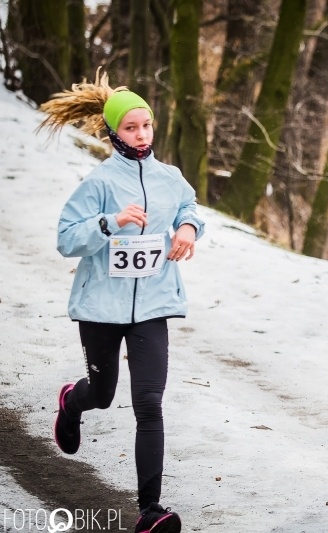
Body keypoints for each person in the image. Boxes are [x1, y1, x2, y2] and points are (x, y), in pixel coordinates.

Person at [38, 70, 204, 533]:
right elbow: (66, 239)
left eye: (146, 125)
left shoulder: (170, 178)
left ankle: (150, 511)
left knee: (149, 402)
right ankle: (73, 402)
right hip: (101, 309)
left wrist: (188, 228)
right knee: (103, 393)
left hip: (153, 306)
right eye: (131, 128)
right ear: (114, 133)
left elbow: (189, 207)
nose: (141, 135)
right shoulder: (99, 183)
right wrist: (110, 222)